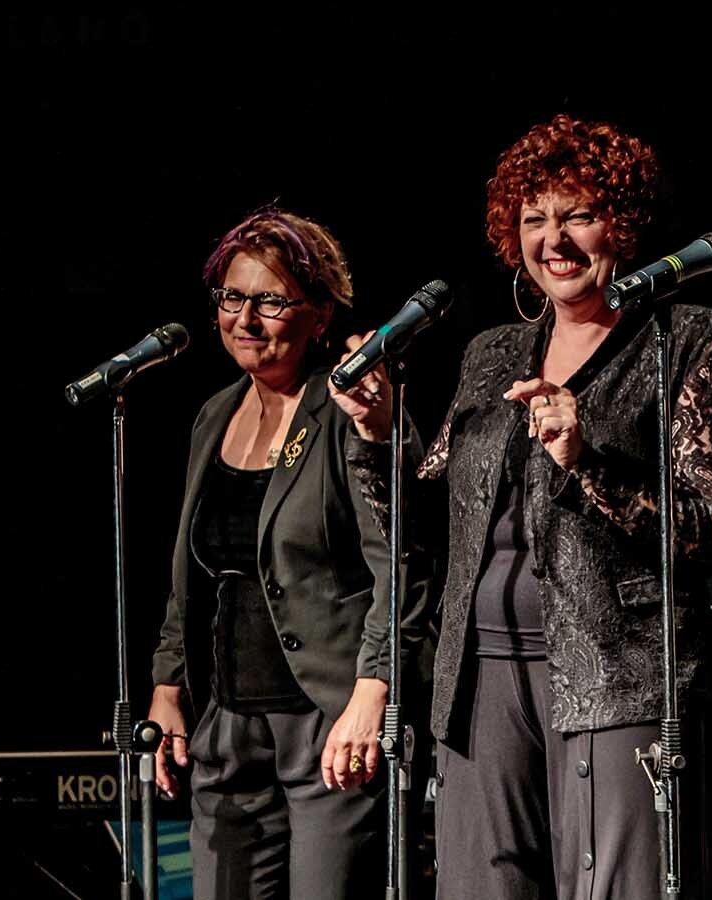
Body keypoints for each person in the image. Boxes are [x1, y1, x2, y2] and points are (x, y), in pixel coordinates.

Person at [424, 113, 712, 900]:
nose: (554, 240)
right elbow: (428, 502)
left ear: (620, 224)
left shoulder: (680, 339)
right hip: (478, 677)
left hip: (617, 670)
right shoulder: (491, 352)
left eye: (578, 215)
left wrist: (585, 460)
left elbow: (706, 530)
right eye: (534, 219)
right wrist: (372, 434)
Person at [148, 206, 429, 899]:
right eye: (233, 297)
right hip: (227, 722)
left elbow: (405, 559)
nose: (246, 318)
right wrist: (168, 684)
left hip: (328, 727)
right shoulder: (214, 414)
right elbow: (191, 574)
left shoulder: (350, 409)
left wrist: (373, 691)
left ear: (320, 314)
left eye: (271, 301)